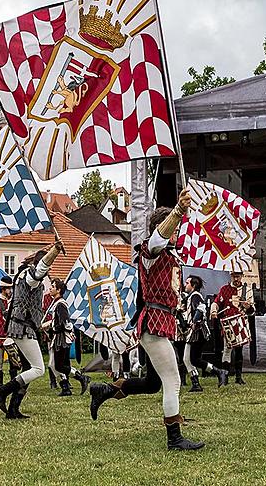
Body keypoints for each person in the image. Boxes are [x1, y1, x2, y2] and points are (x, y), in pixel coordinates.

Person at [89, 189, 204, 451]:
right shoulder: (150, 251)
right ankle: (174, 438)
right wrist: (177, 211)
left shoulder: (167, 254)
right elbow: (159, 238)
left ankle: (104, 391)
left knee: (153, 383)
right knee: (173, 380)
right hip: (153, 323)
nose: (176, 233)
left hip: (160, 324)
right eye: (173, 229)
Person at [0, 240, 63, 419]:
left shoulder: (23, 275)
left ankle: (13, 409)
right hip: (23, 328)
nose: (47, 275)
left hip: (20, 325)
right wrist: (54, 251)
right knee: (38, 369)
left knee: (28, 370)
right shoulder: (32, 277)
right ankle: (2, 391)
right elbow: (40, 270)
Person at [42, 278, 90, 396]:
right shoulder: (58, 303)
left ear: (58, 290)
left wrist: (51, 327)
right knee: (55, 365)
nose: (50, 289)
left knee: (59, 365)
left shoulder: (60, 304)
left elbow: (64, 323)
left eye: (53, 287)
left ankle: (80, 378)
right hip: (60, 338)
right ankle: (66, 387)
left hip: (61, 339)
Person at [211, 270, 255, 385]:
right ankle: (224, 377)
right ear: (231, 276)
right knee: (227, 349)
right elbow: (216, 302)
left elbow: (251, 311)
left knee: (239, 349)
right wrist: (214, 310)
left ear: (242, 276)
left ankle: (238, 377)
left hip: (240, 323)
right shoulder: (224, 289)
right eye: (234, 276)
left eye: (238, 276)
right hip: (228, 324)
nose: (236, 279)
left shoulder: (247, 290)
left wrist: (248, 307)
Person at [183, 276, 228, 390]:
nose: (185, 284)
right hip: (194, 332)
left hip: (198, 332)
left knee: (193, 359)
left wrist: (194, 321)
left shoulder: (195, 296)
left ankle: (218, 372)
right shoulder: (190, 297)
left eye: (187, 283)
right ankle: (197, 383)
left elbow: (201, 308)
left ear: (193, 285)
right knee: (188, 359)